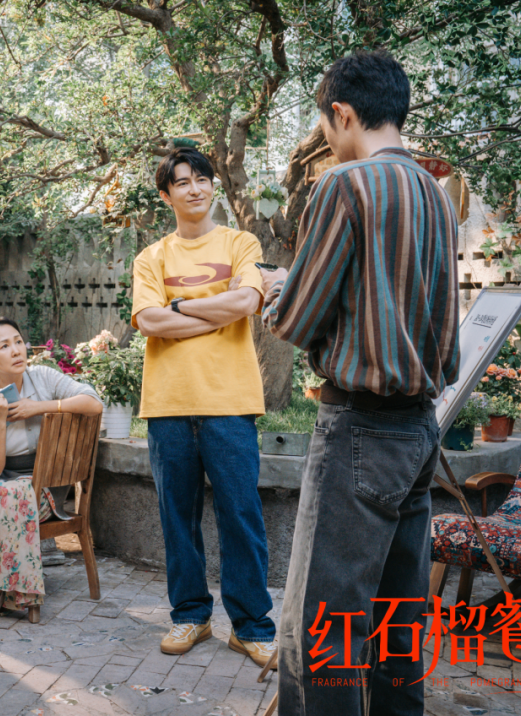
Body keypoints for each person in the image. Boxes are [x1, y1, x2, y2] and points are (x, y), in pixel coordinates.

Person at [260, 52, 459, 716]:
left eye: (326, 123)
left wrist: (274, 290)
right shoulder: (435, 192)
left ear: (341, 113)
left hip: (359, 427)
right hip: (420, 428)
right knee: (399, 619)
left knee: (325, 625)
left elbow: (297, 318)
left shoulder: (344, 186)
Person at [131, 147, 276, 667]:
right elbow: (149, 321)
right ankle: (191, 614)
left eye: (202, 179)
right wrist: (215, 311)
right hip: (168, 404)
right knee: (177, 518)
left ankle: (251, 626)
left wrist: (177, 308)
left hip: (229, 401)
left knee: (241, 514)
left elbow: (248, 302)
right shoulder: (151, 257)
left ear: (213, 186)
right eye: (182, 182)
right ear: (166, 195)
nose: (194, 189)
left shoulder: (241, 243)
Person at [0, 316, 104, 627]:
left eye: (18, 341)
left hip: (43, 487)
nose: (17, 350)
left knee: (4, 495)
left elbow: (94, 403)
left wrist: (39, 407)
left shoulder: (44, 378)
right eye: (4, 346)